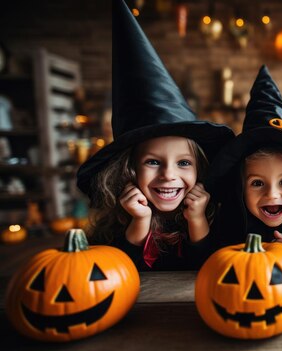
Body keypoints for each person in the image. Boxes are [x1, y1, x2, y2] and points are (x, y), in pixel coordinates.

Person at [75, 0, 234, 271]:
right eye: (153, 162)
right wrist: (139, 222)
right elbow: (114, 274)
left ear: (200, 169)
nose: (168, 175)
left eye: (184, 163)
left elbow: (212, 271)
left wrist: (197, 220)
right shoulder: (115, 222)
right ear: (129, 168)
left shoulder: (215, 214)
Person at [206, 65, 282, 267]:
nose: (272, 194)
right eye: (257, 183)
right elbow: (214, 257)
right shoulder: (230, 216)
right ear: (240, 187)